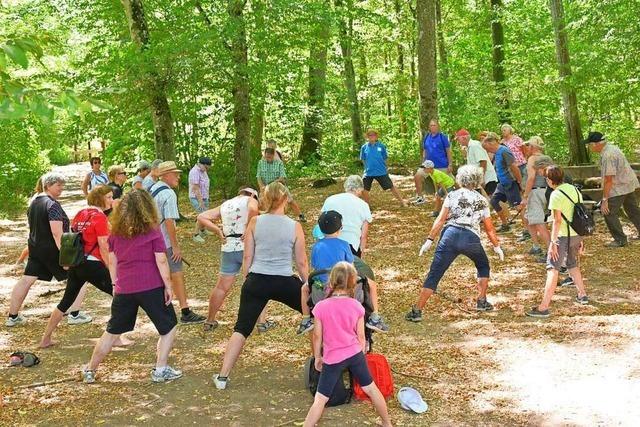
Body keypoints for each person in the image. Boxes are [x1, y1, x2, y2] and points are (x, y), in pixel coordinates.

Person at [213, 182, 309, 390]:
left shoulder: (255, 222)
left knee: (241, 329)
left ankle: (222, 377)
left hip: (257, 279)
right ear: (285, 199)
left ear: (265, 199)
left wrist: (247, 274)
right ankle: (324, 362)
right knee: (316, 314)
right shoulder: (294, 226)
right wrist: (307, 284)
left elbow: (248, 255)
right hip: (284, 280)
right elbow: (301, 262)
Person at [81, 190, 181, 383]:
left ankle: (90, 370)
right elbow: (161, 260)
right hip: (150, 285)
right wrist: (168, 286)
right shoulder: (152, 230)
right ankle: (161, 368)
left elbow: (113, 260)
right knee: (168, 327)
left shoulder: (116, 233)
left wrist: (114, 283)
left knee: (112, 331)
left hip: (124, 288)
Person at [406, 166, 504, 322]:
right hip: (471, 237)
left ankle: (417, 310)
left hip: (449, 236)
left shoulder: (452, 195)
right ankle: (481, 300)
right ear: (477, 180)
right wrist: (496, 246)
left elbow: (440, 219)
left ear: (460, 179)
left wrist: (429, 240)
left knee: (435, 273)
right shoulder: (482, 200)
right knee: (483, 265)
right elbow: (489, 228)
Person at [303, 262, 392, 427]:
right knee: (371, 389)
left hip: (332, 358)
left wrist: (317, 357)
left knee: (320, 399)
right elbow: (360, 335)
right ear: (353, 283)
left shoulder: (321, 307)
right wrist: (361, 353)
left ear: (331, 281)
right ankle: (387, 423)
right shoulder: (357, 306)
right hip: (354, 354)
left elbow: (317, 336)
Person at [39, 186, 123, 348]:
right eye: (109, 197)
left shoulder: (80, 214)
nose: (112, 200)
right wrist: (113, 271)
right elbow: (104, 247)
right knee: (120, 297)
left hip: (77, 263)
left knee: (65, 302)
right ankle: (116, 337)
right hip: (93, 264)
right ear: (100, 199)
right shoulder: (99, 218)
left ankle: (45, 339)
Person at [297, 210, 389, 335]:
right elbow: (350, 268)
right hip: (343, 284)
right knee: (372, 285)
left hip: (322, 286)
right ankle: (375, 317)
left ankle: (306, 319)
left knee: (303, 289)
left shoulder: (316, 246)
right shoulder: (344, 244)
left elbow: (316, 267)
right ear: (340, 228)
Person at [6, 172, 80, 327]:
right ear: (48, 186)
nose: (61, 189)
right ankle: (75, 314)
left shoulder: (34, 202)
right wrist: (65, 255)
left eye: (62, 185)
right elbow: (56, 232)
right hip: (52, 250)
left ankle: (12, 317)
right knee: (79, 277)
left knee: (26, 280)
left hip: (36, 249)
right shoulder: (52, 205)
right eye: (58, 185)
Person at [526, 166, 589, 318]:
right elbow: (581, 213)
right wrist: (581, 238)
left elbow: (557, 220)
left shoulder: (556, 194)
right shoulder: (574, 190)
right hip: (576, 235)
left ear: (549, 180)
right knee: (572, 264)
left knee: (552, 268)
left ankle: (543, 307)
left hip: (562, 236)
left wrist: (553, 242)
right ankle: (582, 294)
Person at [197, 187, 260, 331]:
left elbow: (201, 217)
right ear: (252, 194)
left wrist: (218, 231)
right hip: (246, 246)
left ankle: (210, 320)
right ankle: (258, 322)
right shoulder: (250, 200)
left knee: (221, 287)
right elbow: (253, 210)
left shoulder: (226, 204)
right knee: (254, 284)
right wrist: (247, 227)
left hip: (228, 247)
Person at [150, 161, 205, 324]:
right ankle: (185, 310)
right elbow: (169, 222)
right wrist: (175, 247)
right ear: (166, 175)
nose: (178, 177)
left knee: (160, 275)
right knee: (176, 272)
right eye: (175, 174)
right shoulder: (168, 194)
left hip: (151, 239)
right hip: (164, 241)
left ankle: (162, 310)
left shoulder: (152, 189)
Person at [583, 132, 640, 247]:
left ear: (596, 144)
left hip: (619, 187)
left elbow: (609, 179)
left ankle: (620, 240)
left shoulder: (608, 155)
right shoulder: (612, 148)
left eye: (590, 144)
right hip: (627, 184)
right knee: (633, 210)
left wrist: (605, 199)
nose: (589, 147)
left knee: (607, 212)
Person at [482, 133, 523, 232]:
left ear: (491, 143)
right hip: (502, 184)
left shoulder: (504, 151)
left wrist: (519, 181)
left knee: (518, 206)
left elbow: (514, 166)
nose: (487, 151)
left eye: (487, 148)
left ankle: (526, 230)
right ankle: (505, 225)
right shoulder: (496, 154)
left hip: (510, 182)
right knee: (494, 201)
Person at [521, 137, 552, 260]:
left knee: (539, 223)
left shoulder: (532, 159)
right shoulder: (547, 158)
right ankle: (536, 246)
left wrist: (525, 196)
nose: (526, 148)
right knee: (530, 219)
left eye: (528, 146)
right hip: (547, 191)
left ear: (533, 147)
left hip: (535, 192)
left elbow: (531, 178)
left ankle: (551, 252)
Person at [256, 147, 307, 222]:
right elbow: (258, 176)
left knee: (290, 200)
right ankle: (263, 218)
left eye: (269, 157)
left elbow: (282, 177)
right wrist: (261, 186)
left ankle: (300, 215)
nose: (268, 159)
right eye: (266, 157)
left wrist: (272, 184)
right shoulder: (261, 162)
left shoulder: (279, 163)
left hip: (278, 186)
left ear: (273, 155)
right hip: (265, 186)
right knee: (260, 202)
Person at [359, 129, 407, 207]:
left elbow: (385, 158)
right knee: (364, 189)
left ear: (376, 136)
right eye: (370, 135)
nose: (372, 137)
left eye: (373, 135)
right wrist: (366, 167)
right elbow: (363, 159)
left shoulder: (381, 146)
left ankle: (402, 202)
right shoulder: (364, 147)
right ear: (367, 137)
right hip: (368, 172)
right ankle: (367, 206)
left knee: (391, 186)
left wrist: (385, 167)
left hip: (381, 171)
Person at [414, 119, 452, 203]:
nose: (433, 127)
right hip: (428, 166)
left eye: (434, 125)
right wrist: (423, 163)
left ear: (438, 126)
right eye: (431, 125)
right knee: (417, 176)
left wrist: (450, 164)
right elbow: (425, 151)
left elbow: (448, 152)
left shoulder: (443, 137)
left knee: (452, 182)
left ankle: (451, 199)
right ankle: (420, 197)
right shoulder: (427, 137)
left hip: (442, 165)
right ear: (429, 127)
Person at [455, 129, 498, 195]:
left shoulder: (474, 145)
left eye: (458, 139)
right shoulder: (469, 147)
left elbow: (483, 162)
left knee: (491, 201)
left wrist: (482, 179)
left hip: (487, 179)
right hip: (479, 180)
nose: (458, 142)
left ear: (464, 138)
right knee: (488, 201)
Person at [189, 157, 212, 243]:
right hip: (196, 198)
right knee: (201, 216)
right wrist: (200, 201)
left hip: (204, 197)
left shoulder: (203, 171)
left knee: (204, 215)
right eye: (206, 167)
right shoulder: (194, 172)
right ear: (201, 164)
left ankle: (203, 230)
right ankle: (195, 234)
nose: (206, 170)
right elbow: (196, 188)